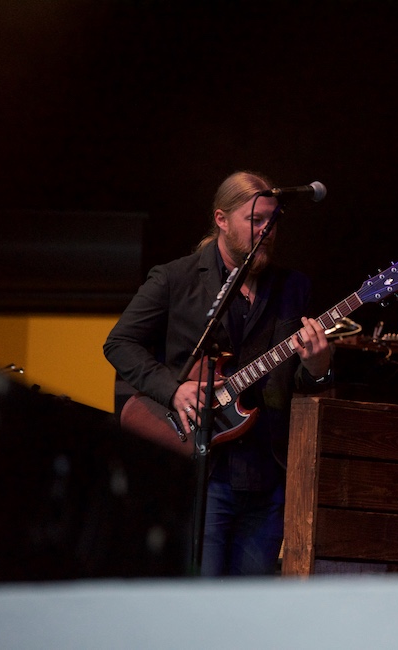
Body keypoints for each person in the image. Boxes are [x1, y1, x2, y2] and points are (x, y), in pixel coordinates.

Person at [104, 171, 332, 576]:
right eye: (255, 221)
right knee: (198, 606)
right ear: (222, 219)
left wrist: (317, 368)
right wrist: (174, 390)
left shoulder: (293, 288)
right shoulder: (177, 278)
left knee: (247, 617)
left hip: (267, 475)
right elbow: (119, 343)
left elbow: (300, 383)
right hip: (200, 474)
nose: (267, 231)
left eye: (272, 221)